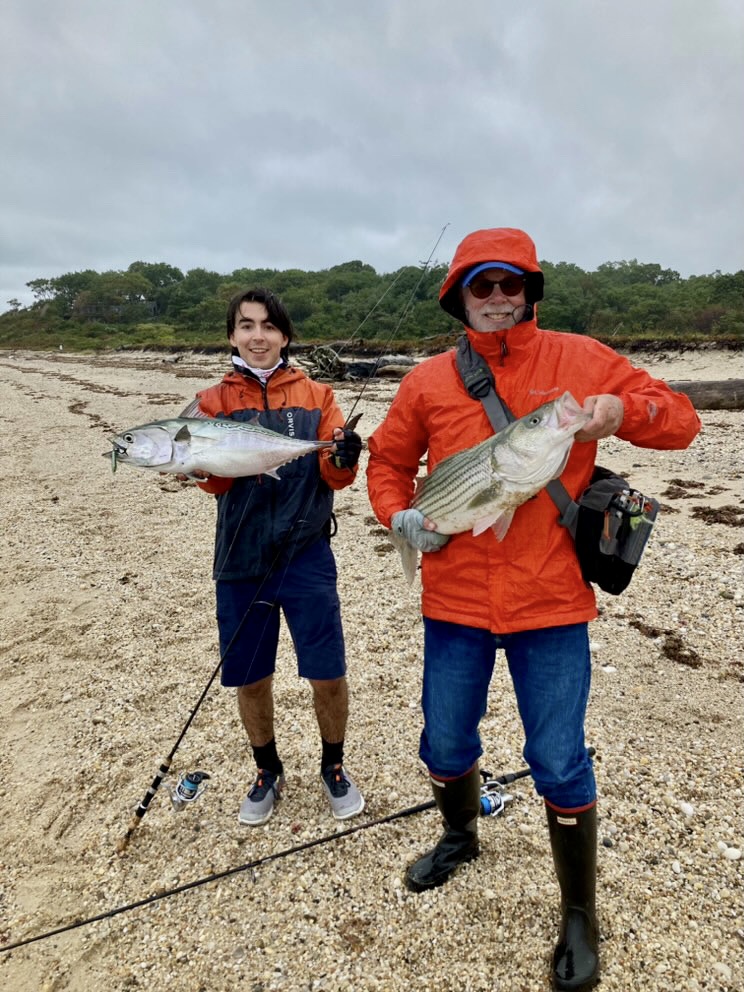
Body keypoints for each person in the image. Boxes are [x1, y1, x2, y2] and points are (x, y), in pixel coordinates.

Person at [366, 228, 701, 991]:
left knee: (558, 757)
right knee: (445, 739)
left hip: (551, 601)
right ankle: (460, 836)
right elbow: (388, 464)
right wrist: (399, 517)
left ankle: (579, 912)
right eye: (480, 287)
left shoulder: (579, 359)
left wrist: (619, 410)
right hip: (453, 600)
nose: (496, 298)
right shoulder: (425, 381)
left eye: (510, 283)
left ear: (530, 289)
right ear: (459, 296)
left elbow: (681, 419)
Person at [191, 288, 365, 827]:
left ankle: (333, 765)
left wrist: (342, 456)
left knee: (328, 672)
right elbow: (216, 482)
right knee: (251, 675)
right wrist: (197, 469)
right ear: (232, 335)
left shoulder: (318, 395)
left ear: (285, 335)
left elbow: (337, 474)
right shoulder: (211, 400)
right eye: (246, 326)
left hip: (306, 554)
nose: (258, 336)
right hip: (240, 559)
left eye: (268, 326)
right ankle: (267, 769)